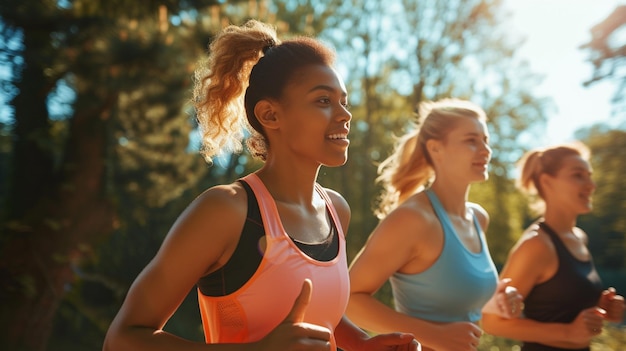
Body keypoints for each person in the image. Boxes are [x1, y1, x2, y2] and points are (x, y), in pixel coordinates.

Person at [102, 19, 420, 351]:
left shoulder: (336, 210)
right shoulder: (226, 210)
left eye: (344, 101)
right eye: (323, 101)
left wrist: (362, 344)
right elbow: (123, 338)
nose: (344, 115)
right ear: (270, 115)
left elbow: (318, 315)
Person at [346, 98, 524, 351]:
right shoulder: (413, 219)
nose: (486, 150)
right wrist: (433, 336)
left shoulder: (477, 218)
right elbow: (349, 300)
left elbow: (449, 295)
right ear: (436, 148)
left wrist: (492, 302)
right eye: (471, 140)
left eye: (485, 140)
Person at [481, 142, 625, 350]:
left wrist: (602, 310)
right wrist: (567, 332)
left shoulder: (579, 237)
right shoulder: (537, 245)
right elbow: (492, 322)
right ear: (547, 182)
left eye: (589, 175)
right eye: (578, 175)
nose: (591, 184)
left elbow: (565, 312)